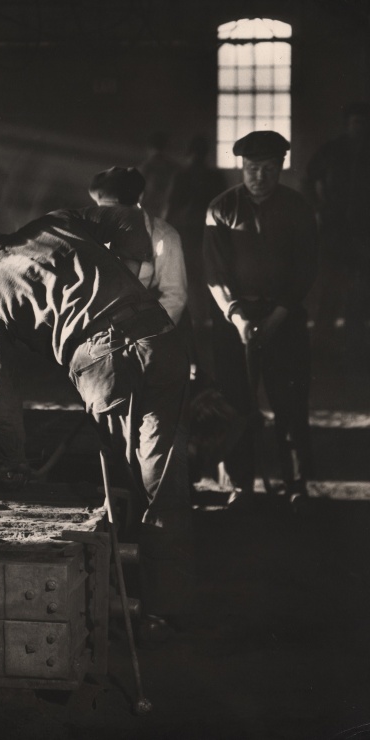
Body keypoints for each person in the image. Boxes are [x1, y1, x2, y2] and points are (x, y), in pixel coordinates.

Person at [0, 199, 194, 641]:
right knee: (163, 482)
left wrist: (15, 457)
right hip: (160, 340)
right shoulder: (58, 221)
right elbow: (126, 215)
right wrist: (128, 266)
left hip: (103, 367)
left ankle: (134, 608)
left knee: (129, 484)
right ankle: (161, 606)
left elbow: (2, 389)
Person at [204, 131, 319, 510]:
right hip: (234, 320)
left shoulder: (298, 208)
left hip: (284, 317)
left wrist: (278, 316)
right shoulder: (221, 208)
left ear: (281, 168)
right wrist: (236, 317)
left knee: (289, 401)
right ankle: (240, 485)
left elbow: (306, 268)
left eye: (269, 169)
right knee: (236, 404)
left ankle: (296, 483)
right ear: (242, 167)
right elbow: (214, 272)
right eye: (253, 169)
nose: (260, 177)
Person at [305, 102, 370, 368]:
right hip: (335, 232)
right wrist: (319, 209)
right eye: (355, 123)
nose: (360, 128)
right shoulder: (331, 151)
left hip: (365, 233)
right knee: (330, 290)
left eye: (364, 123)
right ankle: (321, 349)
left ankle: (358, 351)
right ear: (347, 124)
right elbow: (309, 180)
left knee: (361, 292)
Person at [88, 166, 188, 326]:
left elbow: (175, 294)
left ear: (139, 200)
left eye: (120, 211)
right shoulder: (89, 231)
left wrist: (145, 331)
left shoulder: (163, 235)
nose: (112, 218)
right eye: (105, 211)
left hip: (143, 327)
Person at [166, 135, 229, 332]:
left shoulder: (182, 175)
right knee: (210, 272)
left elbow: (172, 205)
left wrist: (166, 229)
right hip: (211, 229)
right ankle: (209, 317)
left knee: (190, 275)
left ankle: (195, 318)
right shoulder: (215, 176)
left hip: (187, 230)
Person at [137, 131, 180, 219]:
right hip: (168, 207)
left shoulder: (147, 165)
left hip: (150, 206)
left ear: (149, 147)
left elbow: (140, 189)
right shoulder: (174, 166)